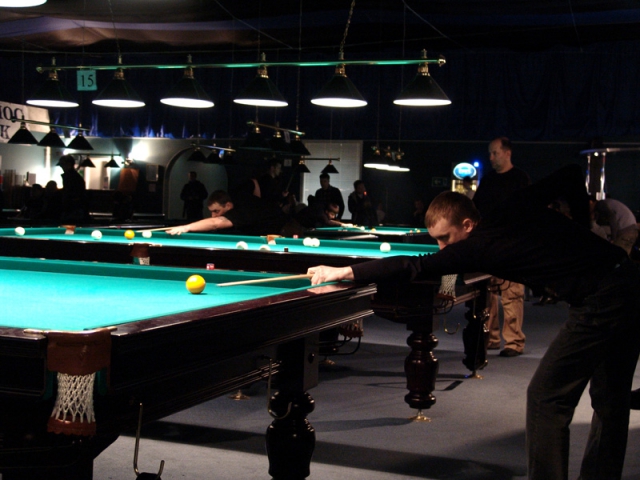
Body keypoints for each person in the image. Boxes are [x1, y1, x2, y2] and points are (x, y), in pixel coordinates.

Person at [308, 164, 640, 480]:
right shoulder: (508, 209)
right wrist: (584, 227)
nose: (442, 247)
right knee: (611, 399)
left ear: (467, 224)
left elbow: (415, 266)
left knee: (546, 398)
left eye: (445, 237)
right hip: (629, 280)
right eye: (436, 239)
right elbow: (571, 174)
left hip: (602, 299)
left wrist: (346, 271)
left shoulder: (476, 246)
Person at [473, 137, 531, 357]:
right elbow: (476, 209)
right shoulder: (488, 180)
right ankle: (491, 338)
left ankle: (514, 342)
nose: (491, 157)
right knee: (488, 294)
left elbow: (530, 212)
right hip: (489, 244)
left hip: (513, 245)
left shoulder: (521, 179)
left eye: (494, 153)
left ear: (507, 153)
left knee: (512, 294)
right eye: (490, 153)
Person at [167, 189, 300, 237]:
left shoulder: (239, 211)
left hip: (288, 230)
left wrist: (186, 227)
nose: (214, 215)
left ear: (228, 205)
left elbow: (215, 223)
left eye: (216, 211)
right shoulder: (237, 203)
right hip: (276, 230)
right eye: (211, 212)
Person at [57, 155, 88, 224]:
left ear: (69, 164)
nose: (61, 167)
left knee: (69, 226)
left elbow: (70, 193)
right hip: (74, 209)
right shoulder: (74, 177)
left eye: (62, 164)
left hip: (72, 210)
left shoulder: (71, 177)